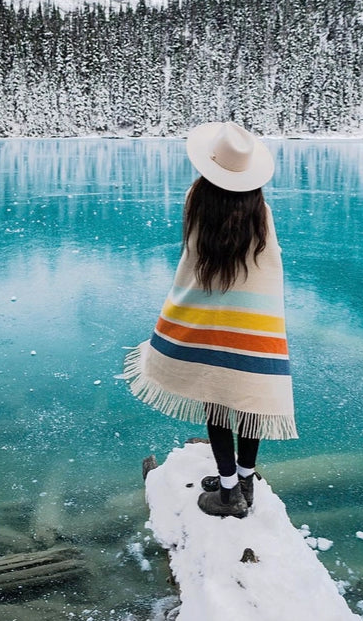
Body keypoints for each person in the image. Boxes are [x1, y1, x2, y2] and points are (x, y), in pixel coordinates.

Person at [124, 121, 297, 518]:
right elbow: (269, 270)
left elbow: (191, 262)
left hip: (208, 320)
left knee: (216, 399)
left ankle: (229, 492)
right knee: (249, 397)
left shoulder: (198, 201)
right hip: (254, 322)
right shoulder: (260, 210)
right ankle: (245, 479)